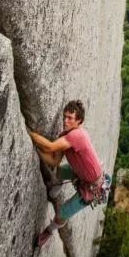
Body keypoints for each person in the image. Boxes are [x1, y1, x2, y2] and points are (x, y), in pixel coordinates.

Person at [26, 99, 110, 249]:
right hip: (80, 173)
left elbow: (51, 147)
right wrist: (37, 149)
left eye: (70, 118)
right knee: (59, 171)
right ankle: (57, 186)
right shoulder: (65, 135)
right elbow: (54, 162)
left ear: (79, 121)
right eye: (64, 116)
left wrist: (28, 133)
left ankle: (49, 230)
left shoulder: (78, 135)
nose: (65, 121)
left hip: (92, 187)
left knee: (62, 213)